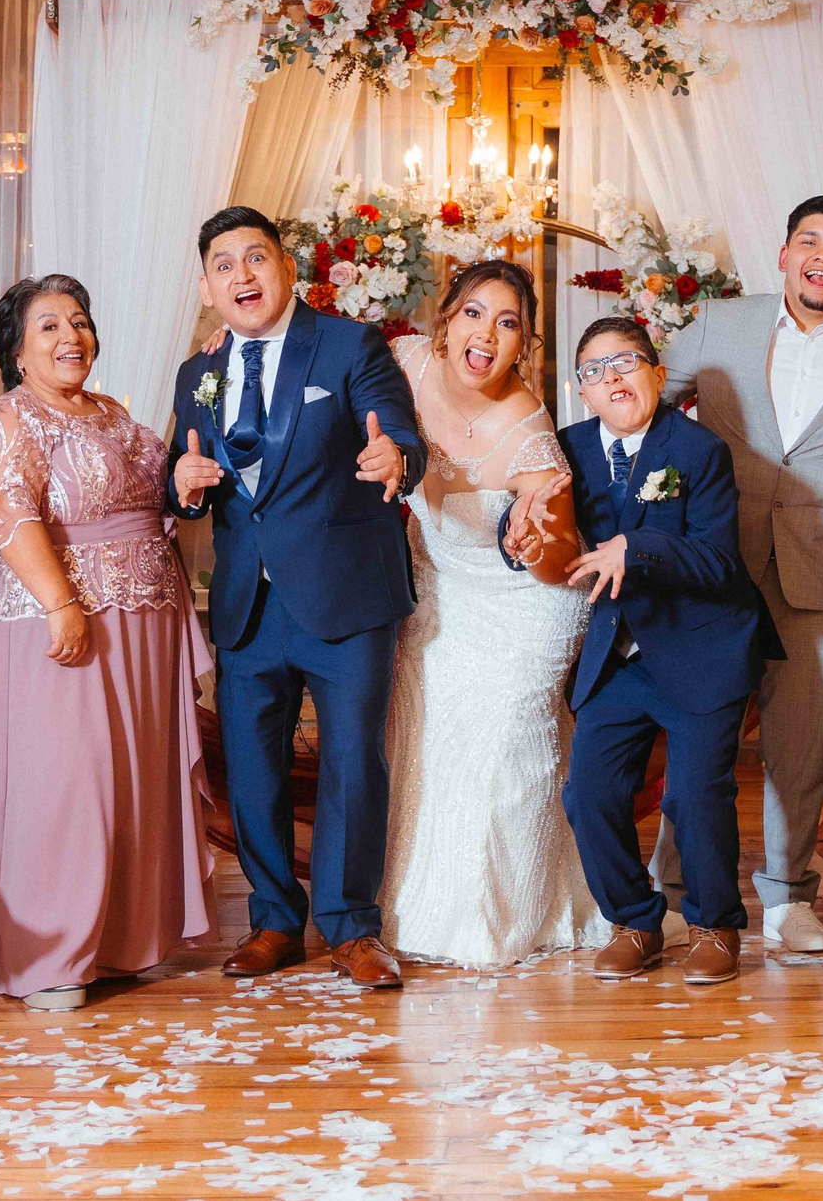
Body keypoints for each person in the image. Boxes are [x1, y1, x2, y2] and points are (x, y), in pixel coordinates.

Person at [166, 207, 426, 989]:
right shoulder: (197, 372)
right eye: (224, 264)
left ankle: (351, 927)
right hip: (247, 599)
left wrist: (395, 459)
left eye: (256, 259)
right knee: (252, 769)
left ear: (287, 268)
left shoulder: (350, 345)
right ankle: (275, 921)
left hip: (345, 594)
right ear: (208, 285)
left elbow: (403, 437)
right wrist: (179, 491)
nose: (241, 275)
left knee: (352, 759)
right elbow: (186, 475)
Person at [652, 195, 823, 953]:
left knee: (801, 752)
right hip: (714, 564)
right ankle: (670, 893)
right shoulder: (719, 324)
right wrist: (660, 515)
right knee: (700, 739)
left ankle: (789, 899)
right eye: (809, 241)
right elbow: (645, 417)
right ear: (784, 254)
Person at [0, 276, 217, 1011]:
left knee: (131, 779)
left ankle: (117, 940)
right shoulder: (10, 418)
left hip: (141, 619)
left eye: (78, 321)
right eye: (48, 327)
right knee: (64, 784)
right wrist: (61, 603)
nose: (70, 336)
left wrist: (186, 481)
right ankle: (48, 954)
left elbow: (155, 496)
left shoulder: (112, 414)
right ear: (16, 351)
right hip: (59, 616)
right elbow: (8, 514)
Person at [380, 259, 605, 966]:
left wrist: (531, 537)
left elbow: (559, 553)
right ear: (445, 319)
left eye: (509, 324)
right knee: (432, 749)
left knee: (503, 748)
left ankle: (503, 913)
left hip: (528, 606)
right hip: (441, 590)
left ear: (524, 345)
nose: (487, 335)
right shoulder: (404, 361)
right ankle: (417, 907)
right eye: (475, 313)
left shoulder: (531, 436)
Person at [552, 315, 781, 986]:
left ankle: (715, 926)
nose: (613, 377)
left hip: (702, 645)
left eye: (627, 362)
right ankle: (635, 921)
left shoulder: (699, 449)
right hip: (619, 654)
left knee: (694, 794)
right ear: (582, 392)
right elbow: (532, 512)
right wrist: (521, 527)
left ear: (657, 374)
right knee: (587, 793)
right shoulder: (567, 450)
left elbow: (716, 561)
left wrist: (637, 546)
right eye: (595, 369)